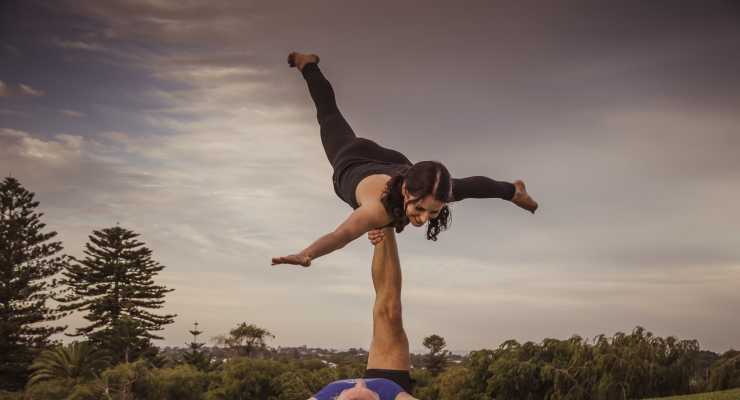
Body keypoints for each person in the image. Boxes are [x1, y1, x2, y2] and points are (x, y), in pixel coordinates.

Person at [273, 52, 538, 268]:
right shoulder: (375, 208)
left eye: (433, 211)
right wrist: (307, 254)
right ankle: (307, 64)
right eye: (420, 209)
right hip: (351, 156)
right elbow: (340, 236)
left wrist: (511, 192)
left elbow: (477, 186)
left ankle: (515, 191)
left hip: (396, 163)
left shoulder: (436, 191)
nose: (424, 219)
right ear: (405, 189)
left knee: (465, 189)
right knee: (328, 114)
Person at [310, 228, 417, 400]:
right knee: (391, 313)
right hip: (387, 392)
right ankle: (385, 218)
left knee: (389, 313)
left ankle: (381, 217)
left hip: (335, 395)